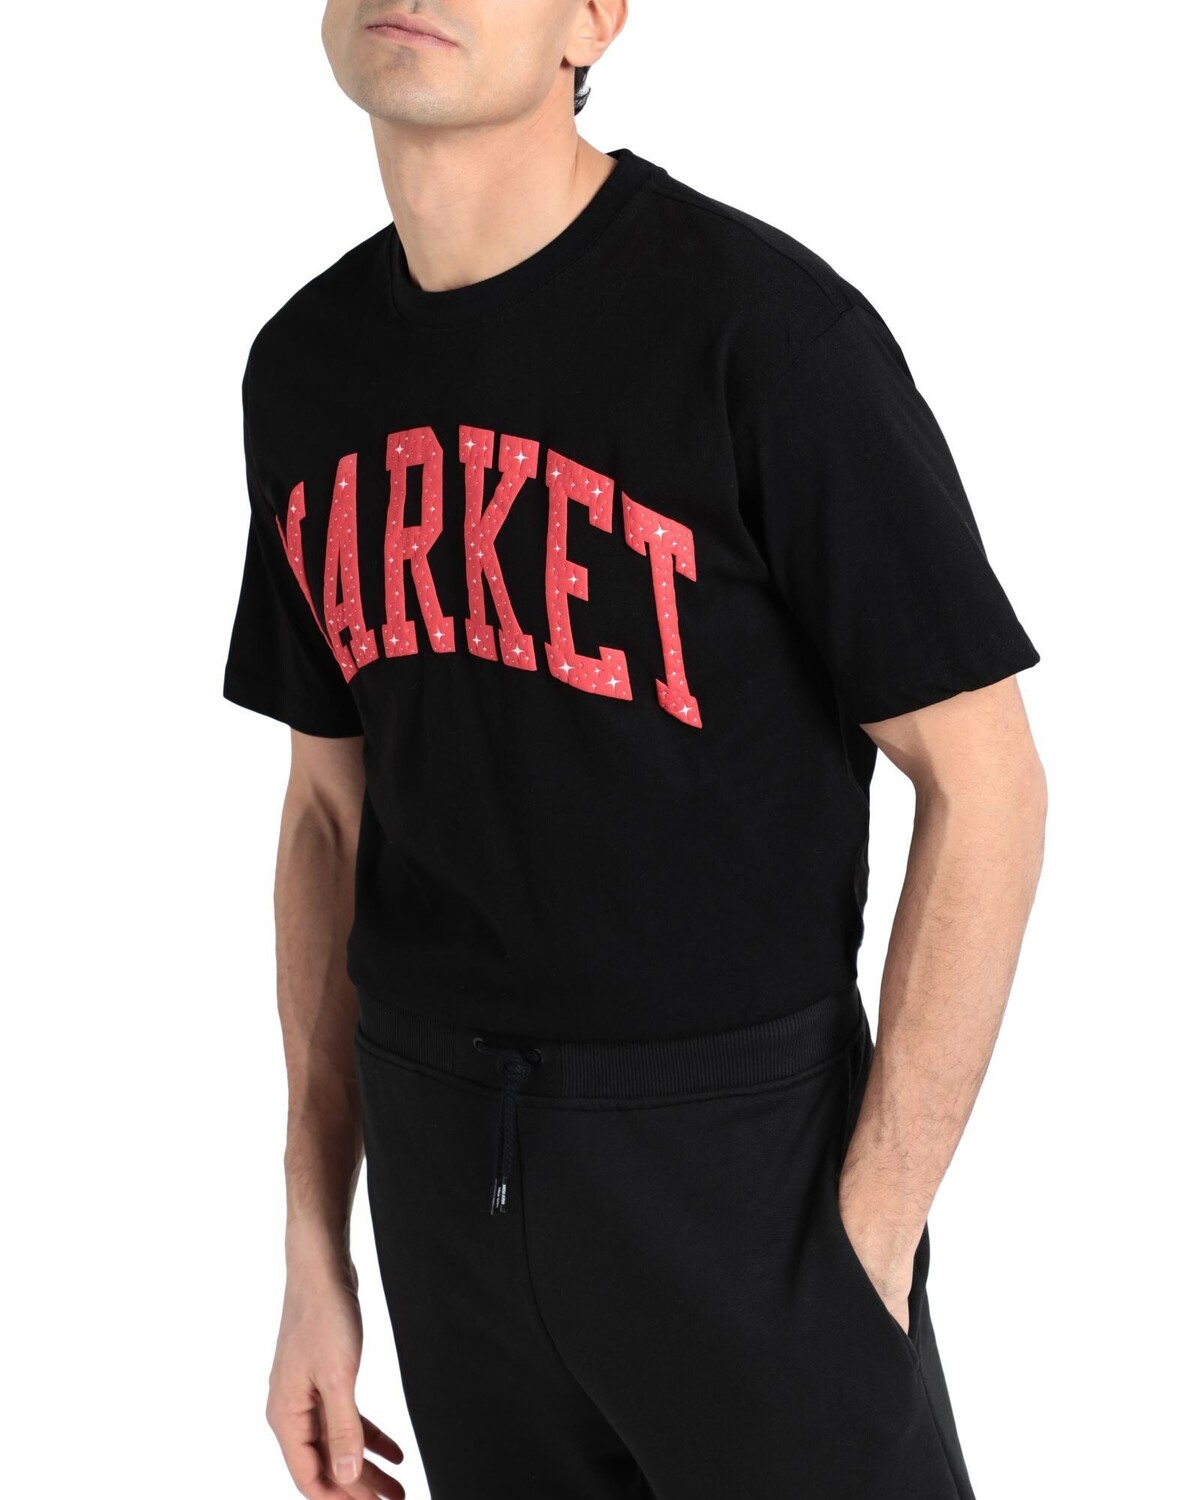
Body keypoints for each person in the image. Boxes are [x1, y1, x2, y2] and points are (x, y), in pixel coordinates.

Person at [221, 2, 1047, 1496]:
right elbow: (329, 817)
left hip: (737, 1158)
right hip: (437, 1155)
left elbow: (982, 775)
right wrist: (313, 1249)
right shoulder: (305, 367)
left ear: (593, 17)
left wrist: (870, 1233)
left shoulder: (760, 334)